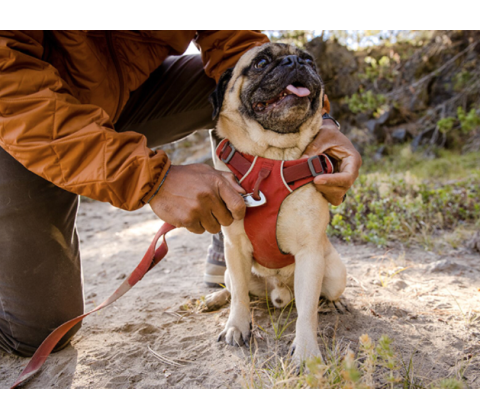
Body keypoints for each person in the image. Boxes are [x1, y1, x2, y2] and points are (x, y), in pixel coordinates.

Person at [0, 30, 361, 357]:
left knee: (234, 86)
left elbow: (234, 43)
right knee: (37, 333)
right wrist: (151, 178)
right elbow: (9, 79)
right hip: (22, 116)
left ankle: (238, 221)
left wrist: (321, 124)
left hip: (128, 91)